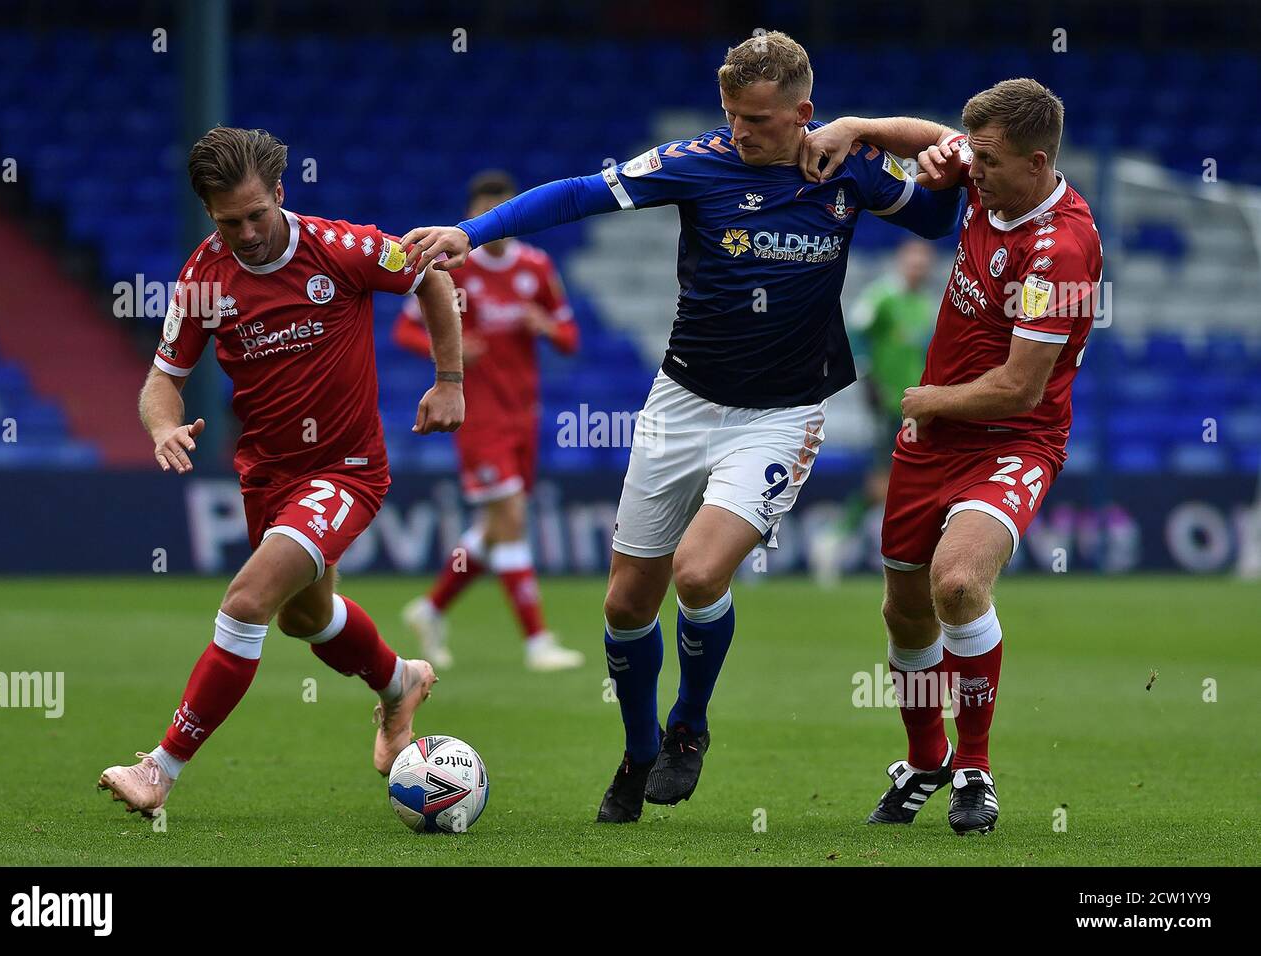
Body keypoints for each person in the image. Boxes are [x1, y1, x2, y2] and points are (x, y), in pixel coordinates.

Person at [402, 32, 962, 823]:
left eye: (760, 119)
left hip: (781, 414)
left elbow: (942, 213)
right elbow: (576, 195)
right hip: (682, 403)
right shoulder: (698, 161)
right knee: (628, 602)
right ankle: (637, 750)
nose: (742, 131)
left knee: (699, 575)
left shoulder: (848, 167)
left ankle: (689, 726)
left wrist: (887, 136)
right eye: (732, 114)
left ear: (804, 113)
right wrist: (475, 235)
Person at [97, 126, 464, 817]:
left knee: (246, 603)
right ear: (209, 213)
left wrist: (449, 380)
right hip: (267, 478)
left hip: (346, 470)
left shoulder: (343, 247)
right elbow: (161, 380)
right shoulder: (204, 278)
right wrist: (162, 425)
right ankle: (399, 682)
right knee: (307, 617)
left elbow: (432, 277)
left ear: (280, 195)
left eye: (257, 214)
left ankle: (159, 770)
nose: (248, 233)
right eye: (229, 221)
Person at [801, 79, 1103, 834]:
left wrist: (927, 398)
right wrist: (856, 126)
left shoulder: (1062, 251)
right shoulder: (989, 173)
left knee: (959, 585)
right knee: (905, 613)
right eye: (974, 155)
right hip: (931, 443)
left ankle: (975, 768)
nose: (974, 169)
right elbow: (927, 136)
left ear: (1038, 163)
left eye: (989, 161)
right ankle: (925, 759)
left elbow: (1021, 389)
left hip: (1012, 439)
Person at [395, 170, 584, 672]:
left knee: (496, 525)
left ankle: (430, 610)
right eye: (481, 215)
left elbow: (569, 337)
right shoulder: (456, 270)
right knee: (511, 521)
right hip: (475, 415)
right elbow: (405, 332)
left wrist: (542, 325)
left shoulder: (537, 267)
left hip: (525, 412)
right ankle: (537, 641)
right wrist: (455, 352)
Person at [813, 240, 936, 585]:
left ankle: (840, 540)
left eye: (923, 264)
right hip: (888, 405)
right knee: (887, 482)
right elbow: (854, 332)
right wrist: (867, 378)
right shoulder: (883, 297)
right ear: (901, 262)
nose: (919, 269)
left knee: (895, 481)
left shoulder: (923, 304)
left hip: (916, 407)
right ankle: (836, 540)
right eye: (913, 262)